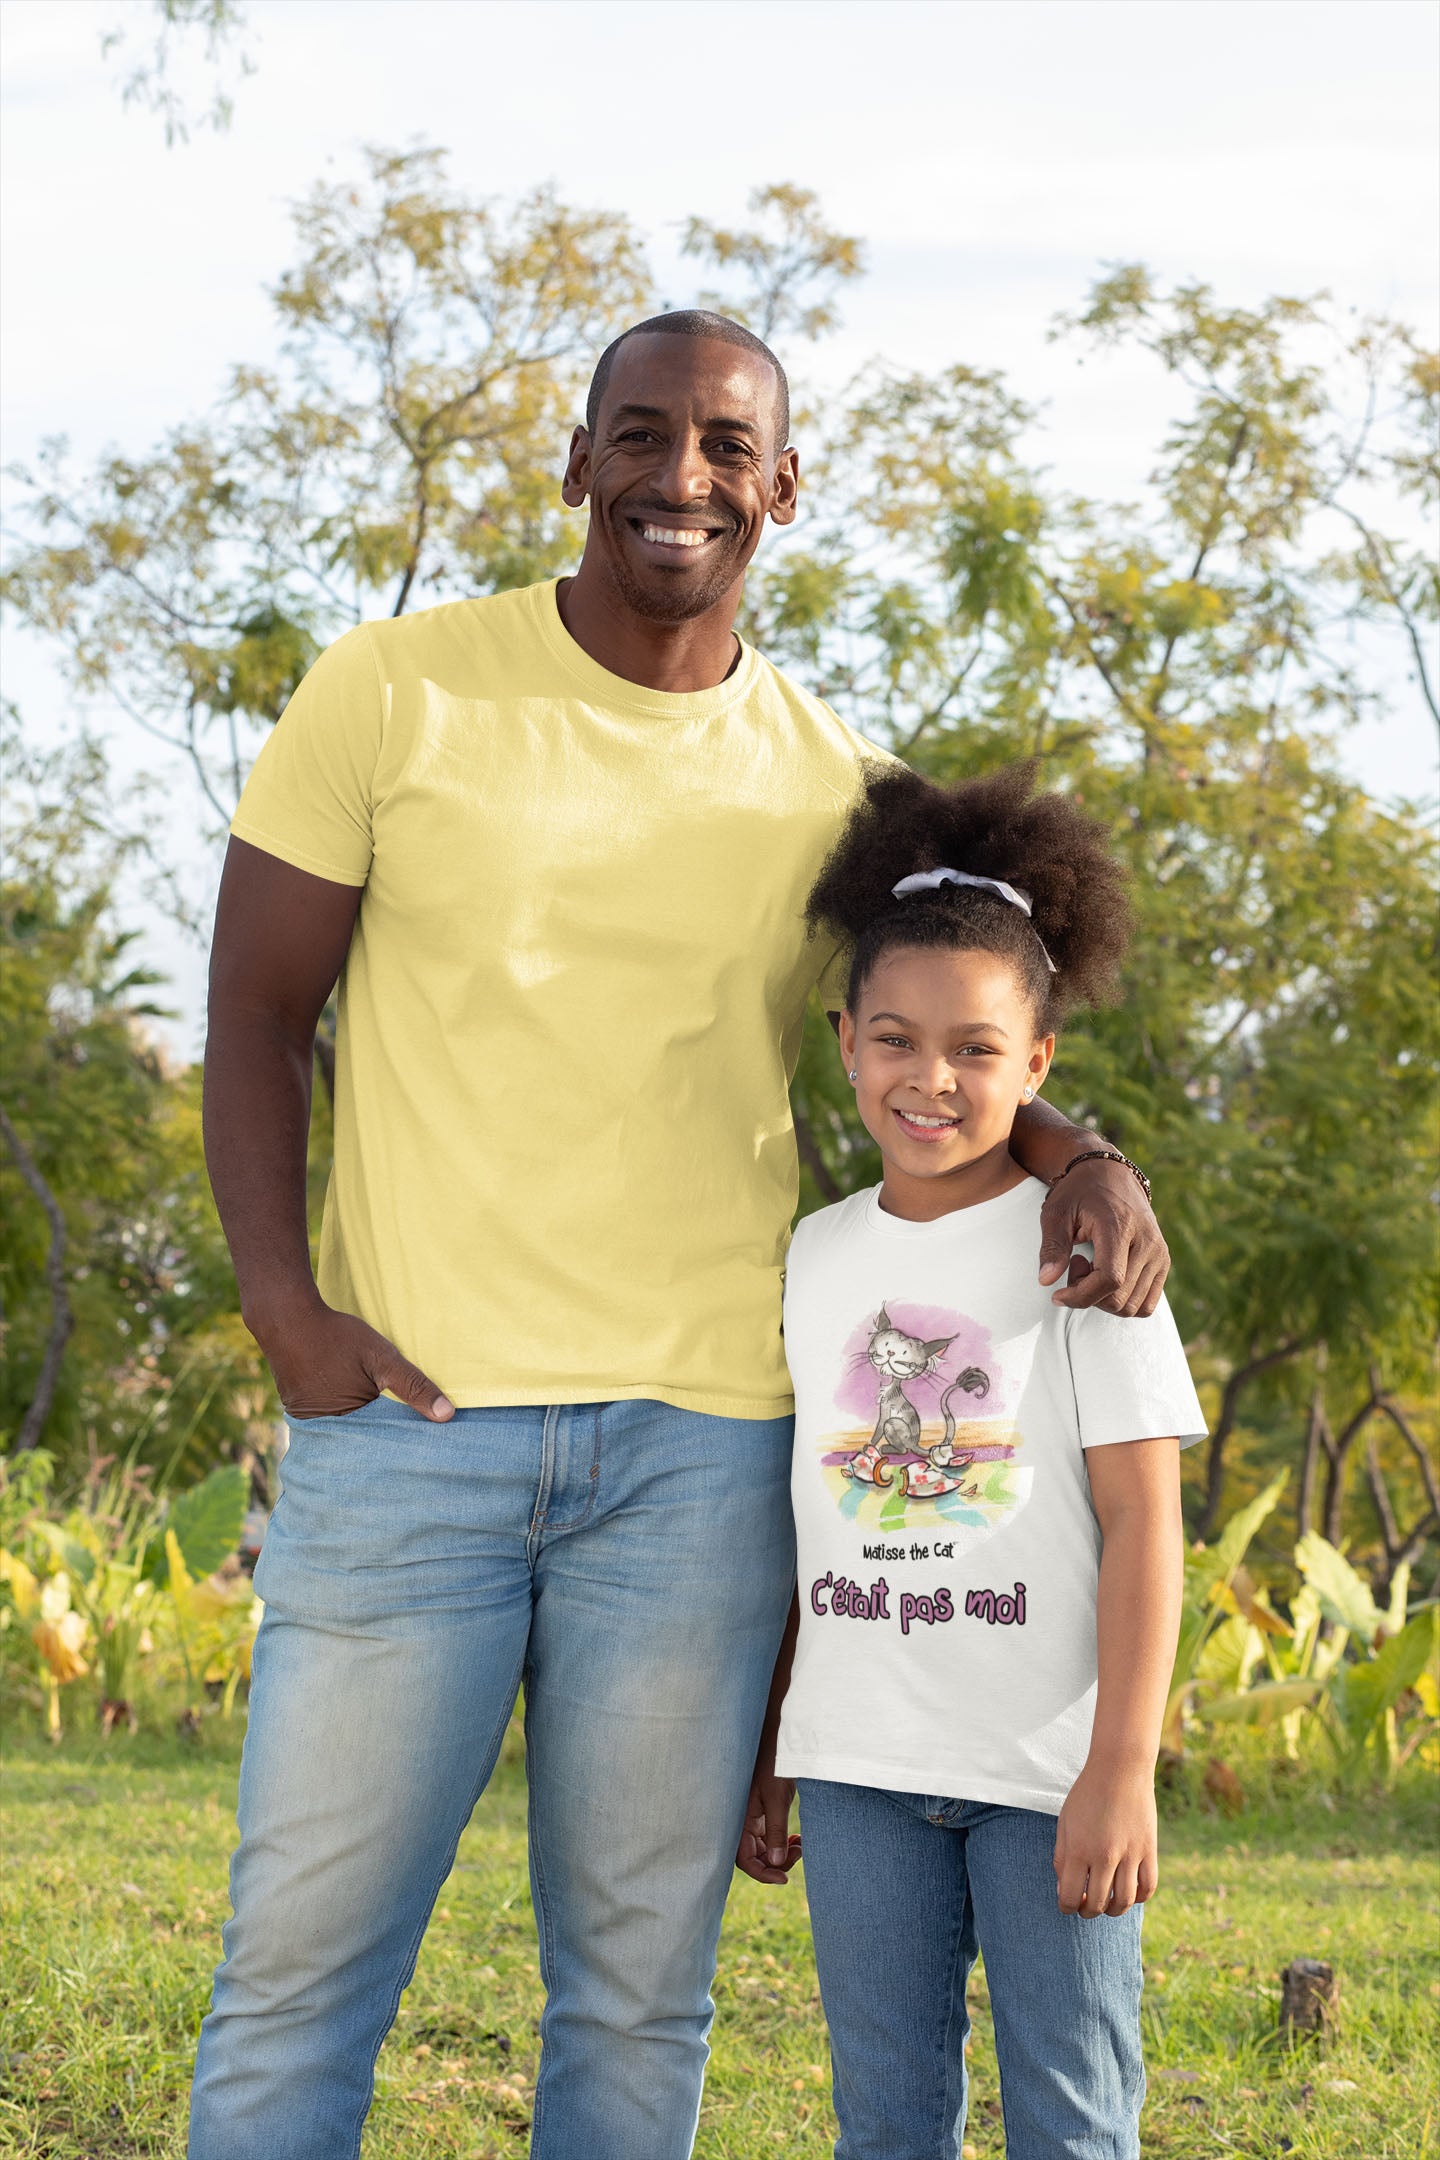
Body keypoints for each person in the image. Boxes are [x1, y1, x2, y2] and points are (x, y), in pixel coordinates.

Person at [189, 310, 1170, 2160]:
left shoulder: (831, 785)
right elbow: (254, 1013)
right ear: (578, 463)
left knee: (639, 1998)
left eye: (729, 449)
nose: (682, 480)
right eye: (641, 438)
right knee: (298, 1978)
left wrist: (1075, 1147)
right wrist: (283, 1313)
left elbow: (938, 1027)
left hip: (700, 1464)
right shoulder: (393, 693)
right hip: (409, 1435)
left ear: (784, 490)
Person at [744, 762, 1205, 2160]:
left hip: (1044, 1774)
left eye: (976, 1049)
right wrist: (779, 1747)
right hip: (863, 1766)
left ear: (1040, 1062)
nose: (930, 1078)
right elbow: (811, 1520)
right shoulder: (816, 1253)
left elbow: (1145, 1525)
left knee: (1070, 2120)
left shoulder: (1089, 1248)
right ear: (843, 1042)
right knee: (883, 2122)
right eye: (895, 1039)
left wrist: (1119, 1768)